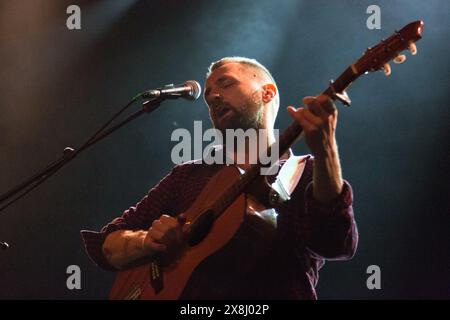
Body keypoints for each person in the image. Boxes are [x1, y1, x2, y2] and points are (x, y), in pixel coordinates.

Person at [81, 56, 358, 299]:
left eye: (226, 84)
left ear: (267, 93)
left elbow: (336, 244)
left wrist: (326, 154)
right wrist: (146, 241)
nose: (213, 97)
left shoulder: (307, 172)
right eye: (209, 94)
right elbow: (108, 246)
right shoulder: (190, 174)